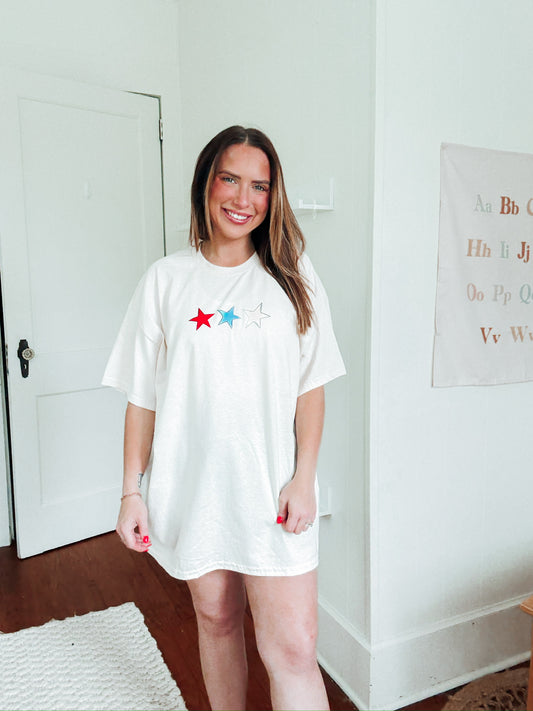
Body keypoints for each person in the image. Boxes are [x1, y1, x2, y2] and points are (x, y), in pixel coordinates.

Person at [102, 125, 345, 711]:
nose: (243, 199)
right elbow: (142, 398)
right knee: (216, 623)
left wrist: (304, 478)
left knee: (293, 650)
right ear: (206, 184)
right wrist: (131, 492)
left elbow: (310, 387)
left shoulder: (294, 275)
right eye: (230, 179)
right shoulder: (165, 280)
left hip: (273, 493)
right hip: (196, 491)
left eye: (259, 186)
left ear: (273, 196)